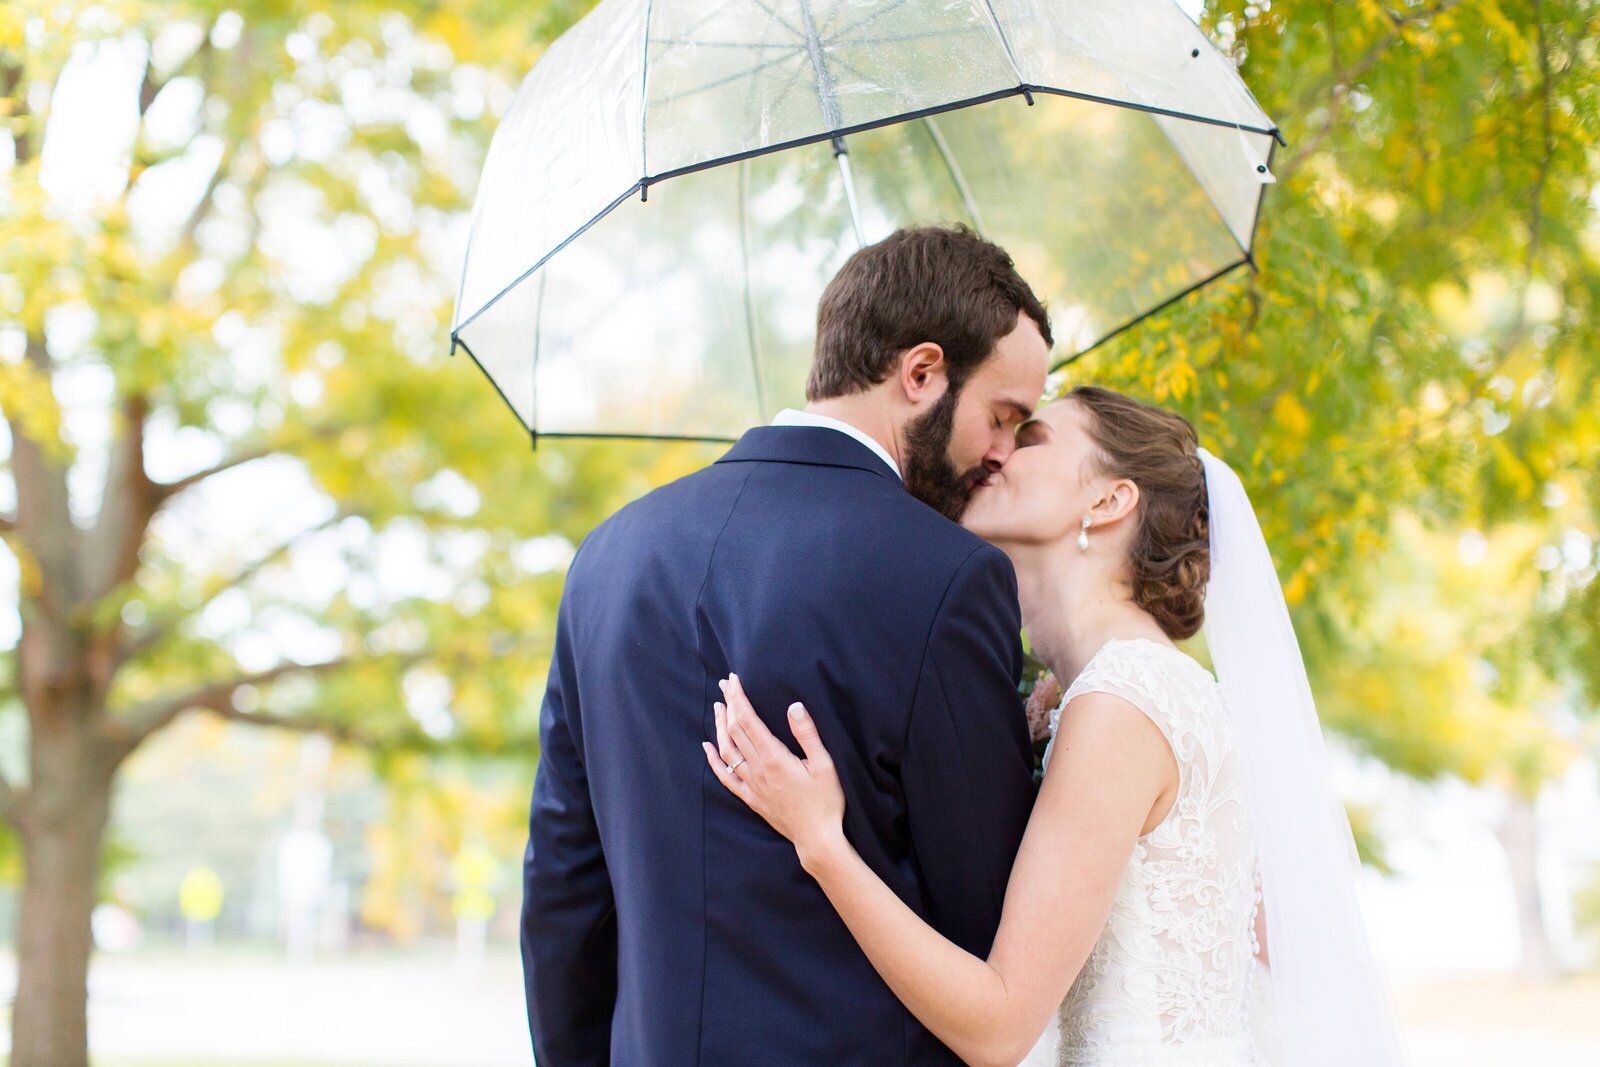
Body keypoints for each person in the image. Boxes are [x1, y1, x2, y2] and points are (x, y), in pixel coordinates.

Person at [703, 386, 1407, 1066]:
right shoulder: (1098, 694)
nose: (996, 450)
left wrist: (821, 840)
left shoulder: (1123, 703)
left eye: (1031, 435)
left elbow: (999, 1025)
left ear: (1109, 499)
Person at [520, 225, 1053, 1065]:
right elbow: (983, 919)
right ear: (920, 374)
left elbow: (564, 885)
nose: (1001, 453)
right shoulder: (950, 578)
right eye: (1004, 416)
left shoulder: (608, 556)